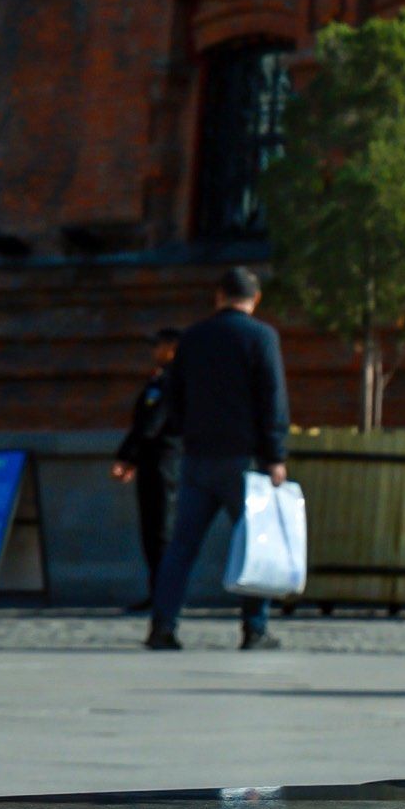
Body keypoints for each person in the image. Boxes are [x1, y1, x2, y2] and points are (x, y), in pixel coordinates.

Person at [145, 266, 290, 653]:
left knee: (182, 546)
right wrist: (275, 455)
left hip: (197, 457)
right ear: (254, 300)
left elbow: (173, 393)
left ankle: (163, 624)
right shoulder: (262, 337)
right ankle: (254, 629)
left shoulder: (192, 338)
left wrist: (184, 431)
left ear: (219, 296)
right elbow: (272, 398)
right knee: (255, 544)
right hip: (242, 460)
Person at [110, 328, 181, 614]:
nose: (155, 351)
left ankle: (165, 595)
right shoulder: (160, 378)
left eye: (160, 346)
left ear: (173, 348)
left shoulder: (172, 380)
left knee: (161, 529)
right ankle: (158, 591)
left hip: (165, 461)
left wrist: (126, 457)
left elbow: (151, 423)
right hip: (153, 461)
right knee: (152, 529)